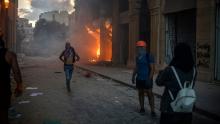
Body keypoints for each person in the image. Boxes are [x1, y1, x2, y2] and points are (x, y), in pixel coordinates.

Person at [155, 43, 197, 124]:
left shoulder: (170, 70)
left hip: (170, 109)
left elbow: (158, 82)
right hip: (186, 109)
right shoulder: (194, 71)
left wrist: (162, 69)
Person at [0, 29, 23, 124]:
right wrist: (19, 86)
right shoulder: (10, 55)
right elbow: (16, 72)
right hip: (3, 90)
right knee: (3, 115)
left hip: (4, 90)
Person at [132, 40, 156, 117]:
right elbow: (137, 67)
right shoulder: (137, 57)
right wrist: (133, 76)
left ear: (144, 48)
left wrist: (149, 79)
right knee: (140, 93)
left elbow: (152, 69)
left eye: (141, 47)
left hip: (147, 78)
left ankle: (153, 111)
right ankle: (142, 108)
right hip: (139, 78)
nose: (139, 49)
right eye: (138, 47)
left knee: (150, 94)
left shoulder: (149, 56)